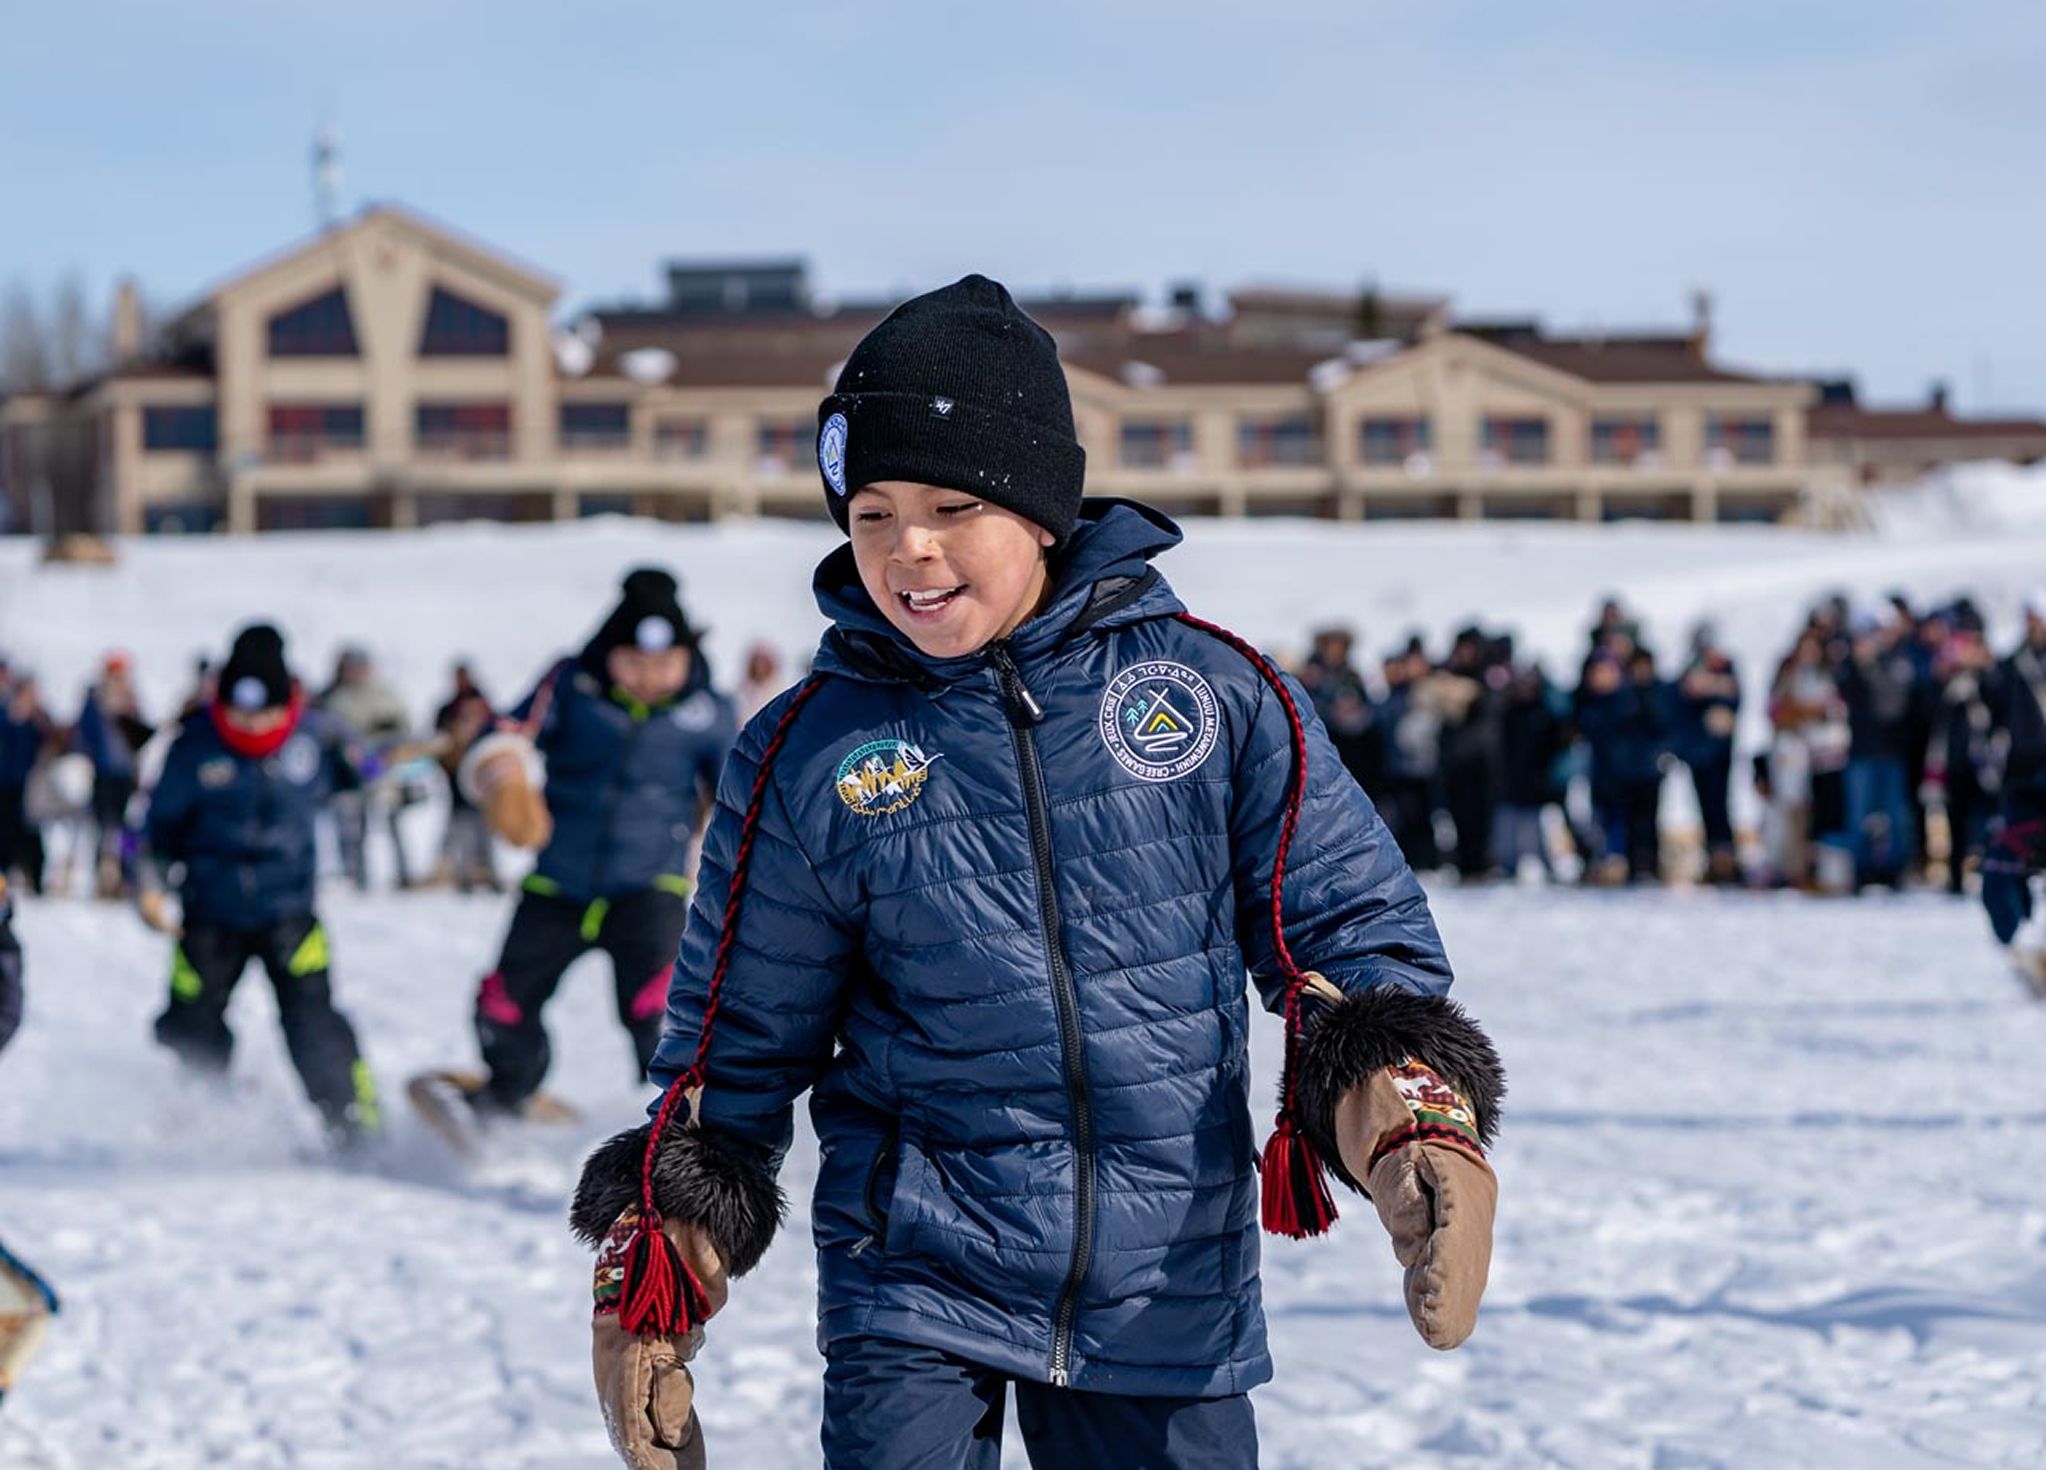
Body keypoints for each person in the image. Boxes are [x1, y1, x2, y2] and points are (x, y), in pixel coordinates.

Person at [569, 278, 1504, 1470]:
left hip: (1164, 1271)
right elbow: (734, 1048)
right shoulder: (808, 751)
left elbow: (1347, 935)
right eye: (870, 513)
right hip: (913, 1277)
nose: (908, 547)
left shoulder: (1213, 696)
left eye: (955, 505)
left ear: (1043, 510)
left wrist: (1410, 1127)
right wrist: (656, 1280)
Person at [454, 569, 737, 1119]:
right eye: (634, 662)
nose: (649, 677)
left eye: (664, 664)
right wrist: (504, 775)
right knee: (502, 1003)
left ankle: (687, 1130)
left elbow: (741, 790)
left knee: (662, 1011)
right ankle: (510, 1090)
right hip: (557, 879)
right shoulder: (570, 683)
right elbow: (504, 732)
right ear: (609, 652)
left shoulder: (708, 710)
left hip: (649, 885)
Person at [141, 624, 383, 1147]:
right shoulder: (192, 747)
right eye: (239, 710)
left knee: (315, 1027)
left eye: (265, 711)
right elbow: (155, 829)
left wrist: (372, 758)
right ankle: (204, 1125)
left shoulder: (317, 739)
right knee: (191, 1025)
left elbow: (372, 771)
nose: (252, 722)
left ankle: (356, 1129)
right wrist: (148, 883)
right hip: (209, 915)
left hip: (290, 916)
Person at [318, 647, 416, 890]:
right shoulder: (335, 698)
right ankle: (355, 876)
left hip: (386, 774)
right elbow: (331, 733)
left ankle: (404, 874)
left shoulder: (385, 693)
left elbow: (403, 726)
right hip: (350, 775)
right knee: (352, 829)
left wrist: (389, 735)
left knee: (394, 824)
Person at [73, 651, 154, 897]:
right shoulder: (95, 700)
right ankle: (103, 879)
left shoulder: (132, 700)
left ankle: (126, 877)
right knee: (103, 826)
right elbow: (84, 733)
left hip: (126, 774)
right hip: (103, 772)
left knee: (127, 828)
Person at [430, 663, 499, 894]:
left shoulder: (484, 706)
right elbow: (439, 741)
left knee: (485, 823)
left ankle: (488, 871)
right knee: (462, 824)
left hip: (480, 772)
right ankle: (466, 873)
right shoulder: (448, 709)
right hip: (456, 774)